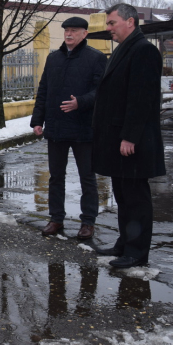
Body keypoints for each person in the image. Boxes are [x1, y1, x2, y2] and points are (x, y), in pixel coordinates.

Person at [92, 3, 166, 269]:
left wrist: (130, 137)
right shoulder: (126, 48)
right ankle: (124, 244)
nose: (108, 28)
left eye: (112, 23)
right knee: (123, 195)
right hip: (118, 137)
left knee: (136, 198)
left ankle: (136, 253)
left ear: (131, 22)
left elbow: (141, 99)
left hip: (132, 141)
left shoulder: (144, 51)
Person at [31, 16, 107, 239]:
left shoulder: (96, 58)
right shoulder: (53, 58)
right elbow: (43, 90)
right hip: (56, 127)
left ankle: (88, 222)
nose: (69, 34)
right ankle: (56, 219)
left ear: (85, 33)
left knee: (87, 177)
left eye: (74, 30)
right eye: (66, 31)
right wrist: (37, 120)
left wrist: (80, 103)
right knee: (55, 176)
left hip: (83, 128)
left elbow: (101, 92)